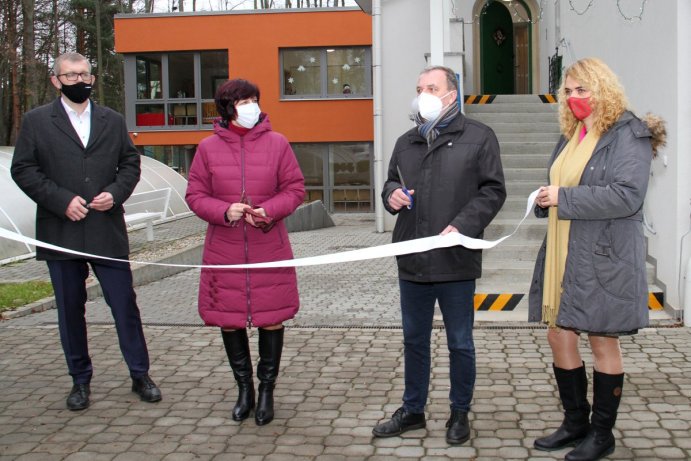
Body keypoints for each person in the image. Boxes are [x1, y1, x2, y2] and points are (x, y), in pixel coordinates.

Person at [529, 57, 666, 461]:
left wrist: (563, 198)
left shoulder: (629, 133)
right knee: (559, 334)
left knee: (601, 339)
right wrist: (544, 198)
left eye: (581, 89)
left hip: (602, 255)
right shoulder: (573, 133)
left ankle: (601, 434)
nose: (574, 98)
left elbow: (627, 196)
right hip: (564, 248)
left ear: (602, 89)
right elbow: (561, 183)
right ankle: (575, 423)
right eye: (568, 91)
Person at [11, 52, 162, 411]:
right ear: (56, 80)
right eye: (71, 75)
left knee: (124, 305)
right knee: (69, 310)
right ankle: (80, 381)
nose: (80, 81)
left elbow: (129, 162)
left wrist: (116, 192)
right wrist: (61, 200)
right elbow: (24, 169)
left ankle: (140, 374)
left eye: (84, 74)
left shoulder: (111, 119)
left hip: (106, 230)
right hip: (60, 230)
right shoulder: (36, 122)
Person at [373, 65, 506, 445]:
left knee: (459, 342)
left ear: (452, 93)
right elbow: (390, 183)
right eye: (419, 88)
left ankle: (459, 413)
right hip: (412, 259)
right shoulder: (406, 141)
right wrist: (391, 196)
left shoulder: (478, 137)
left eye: (432, 87)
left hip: (455, 260)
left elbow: (493, 191)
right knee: (414, 340)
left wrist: (464, 225)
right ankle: (413, 410)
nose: (423, 94)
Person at [185, 78, 305, 426]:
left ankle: (267, 389)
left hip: (270, 246)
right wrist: (224, 211)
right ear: (226, 107)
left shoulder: (278, 144)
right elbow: (195, 195)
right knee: (229, 320)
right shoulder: (207, 148)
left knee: (271, 319)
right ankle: (244, 389)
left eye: (255, 99)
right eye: (243, 101)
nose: (251, 106)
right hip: (225, 249)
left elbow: (295, 189)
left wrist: (269, 210)